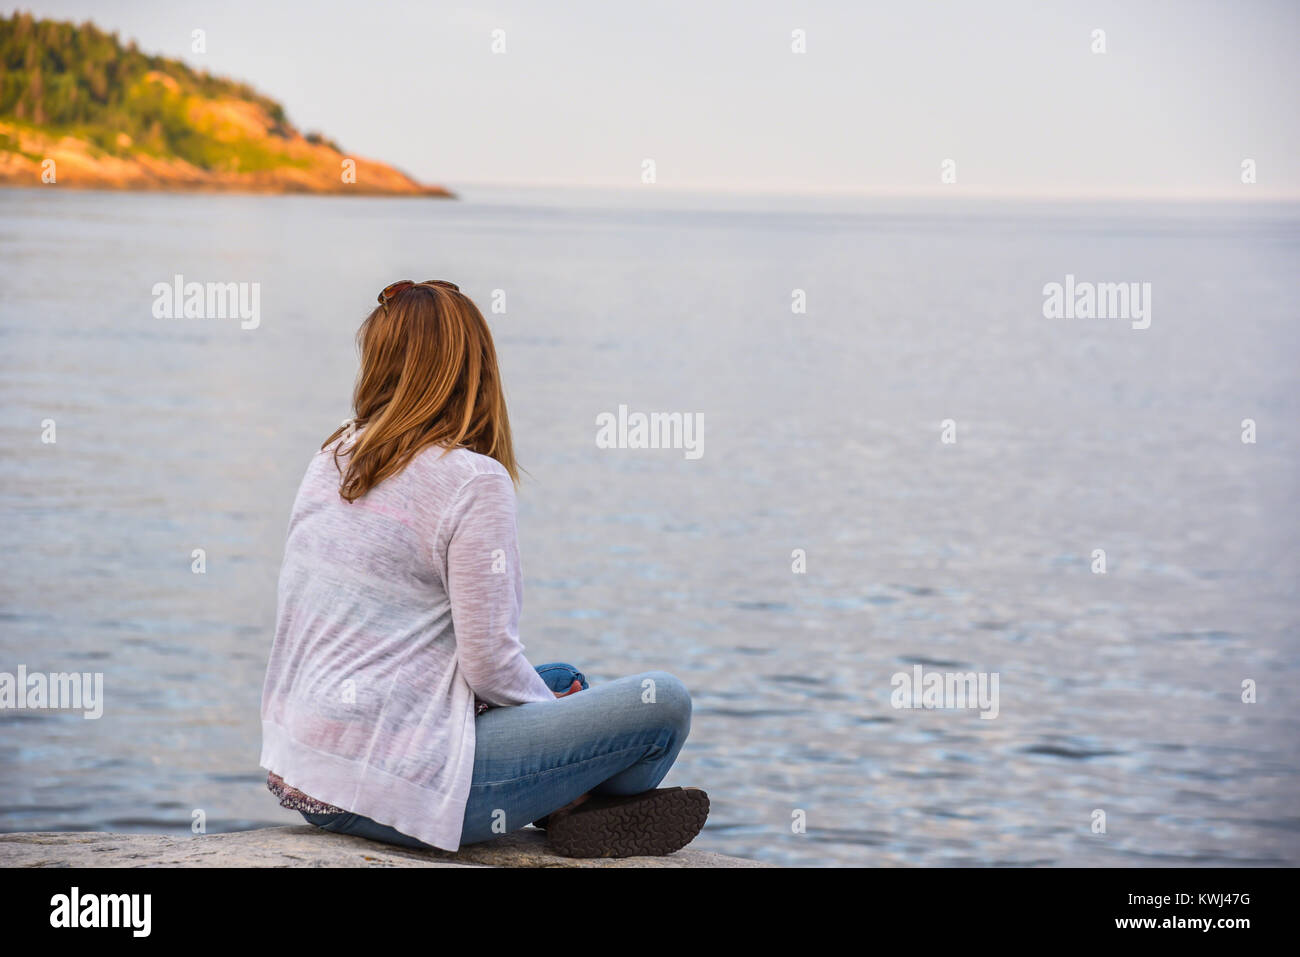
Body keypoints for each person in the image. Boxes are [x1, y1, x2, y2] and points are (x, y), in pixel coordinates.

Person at [259, 279, 708, 858]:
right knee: (661, 702)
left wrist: (552, 709)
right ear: (475, 366)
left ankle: (574, 803)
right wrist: (557, 718)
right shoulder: (471, 480)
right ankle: (578, 808)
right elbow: (490, 666)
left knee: (561, 675)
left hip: (307, 773)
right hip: (386, 786)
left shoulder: (336, 454)